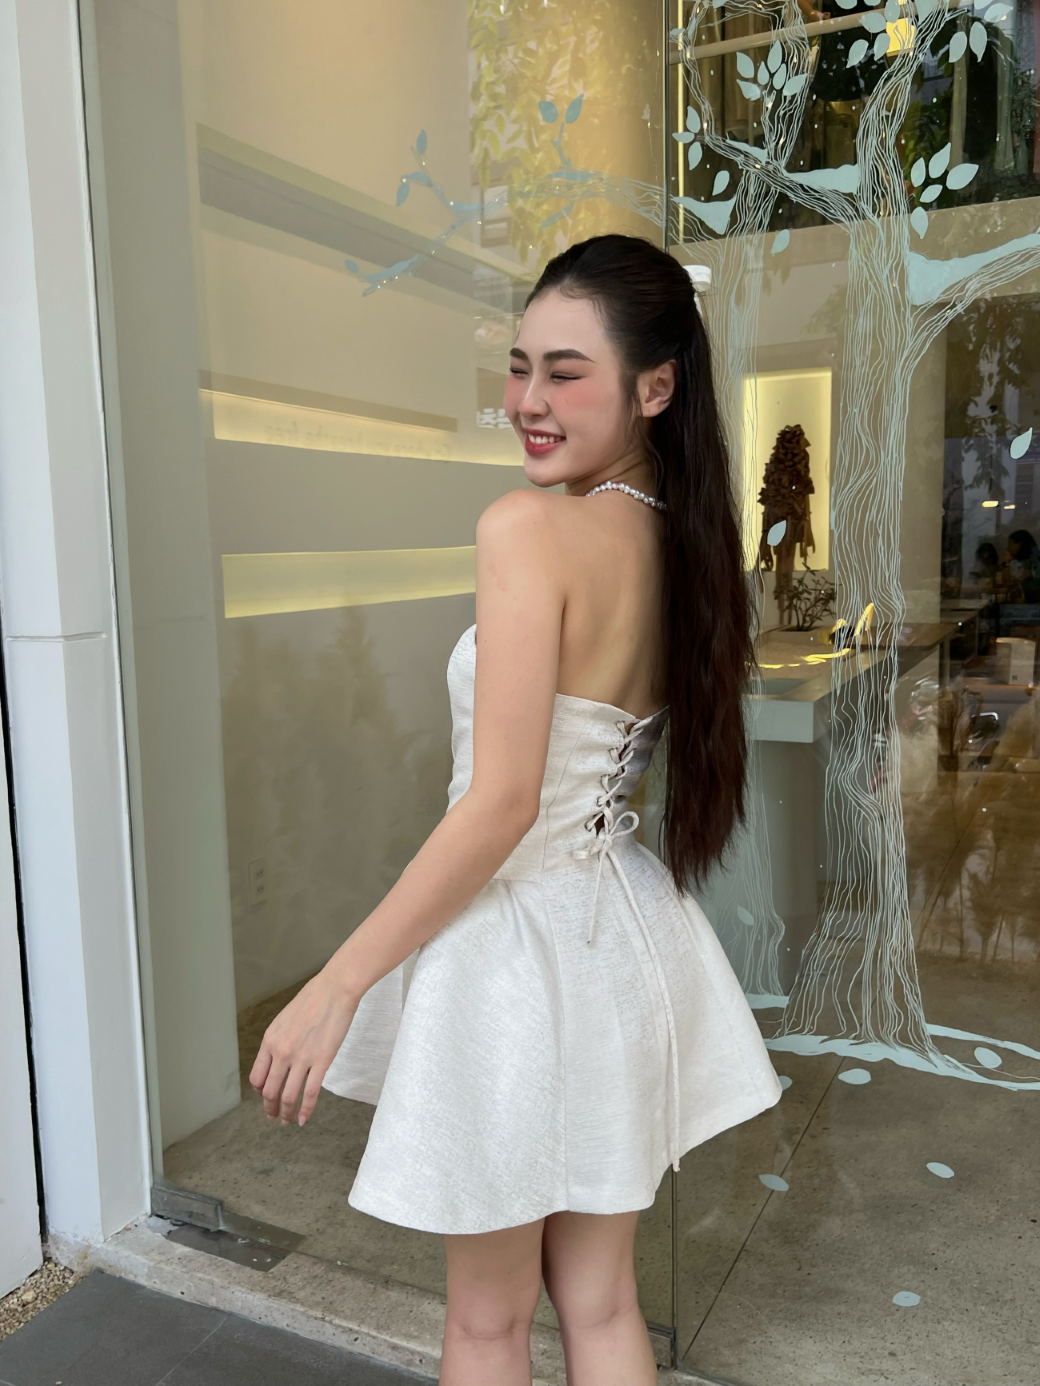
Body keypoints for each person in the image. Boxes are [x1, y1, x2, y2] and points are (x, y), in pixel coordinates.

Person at [249, 235, 782, 1386]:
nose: (527, 401)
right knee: (600, 1303)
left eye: (564, 372)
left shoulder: (527, 529)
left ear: (654, 387)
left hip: (513, 956)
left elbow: (499, 807)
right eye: (517, 365)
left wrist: (338, 984)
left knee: (488, 1324)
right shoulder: (679, 540)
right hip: (618, 944)